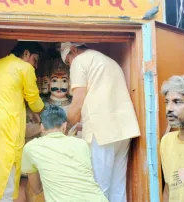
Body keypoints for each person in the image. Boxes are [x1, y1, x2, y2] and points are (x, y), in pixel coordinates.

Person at [60, 42, 140, 202]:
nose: (70, 65)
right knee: (118, 188)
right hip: (124, 129)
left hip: (102, 131)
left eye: (68, 62)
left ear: (73, 50)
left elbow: (77, 102)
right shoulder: (108, 61)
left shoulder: (79, 61)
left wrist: (65, 126)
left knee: (97, 188)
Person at [0, 41, 45, 202]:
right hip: (8, 130)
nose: (35, 66)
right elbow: (35, 102)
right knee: (6, 182)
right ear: (26, 54)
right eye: (35, 60)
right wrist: (46, 115)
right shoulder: (25, 68)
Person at [21, 105, 109, 202]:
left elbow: (37, 189)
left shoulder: (32, 147)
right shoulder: (82, 144)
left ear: (42, 127)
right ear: (64, 126)